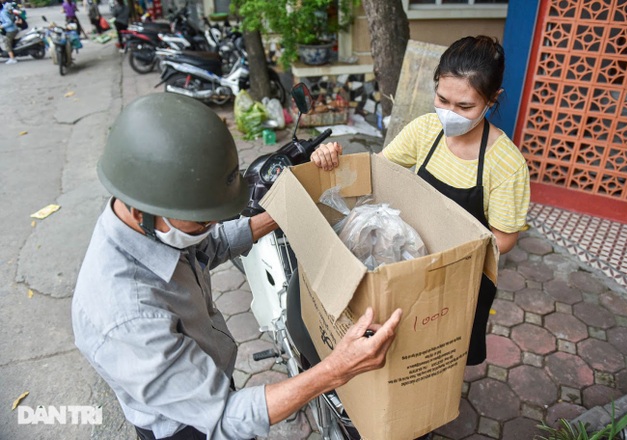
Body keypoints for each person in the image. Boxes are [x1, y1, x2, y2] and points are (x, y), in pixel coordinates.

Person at [72, 93, 403, 440]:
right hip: (188, 426)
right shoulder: (129, 317)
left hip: (207, 372)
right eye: (201, 222)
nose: (211, 227)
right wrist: (337, 368)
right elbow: (224, 417)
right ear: (142, 215)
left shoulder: (148, 217)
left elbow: (209, 246)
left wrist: (284, 213)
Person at [311, 35, 531, 366]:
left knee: (443, 356)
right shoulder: (425, 130)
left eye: (465, 106)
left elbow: (505, 238)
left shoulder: (506, 163)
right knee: (402, 352)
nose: (450, 113)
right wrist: (333, 161)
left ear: (492, 100)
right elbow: (379, 174)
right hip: (410, 264)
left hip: (460, 278)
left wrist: (448, 242)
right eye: (442, 99)